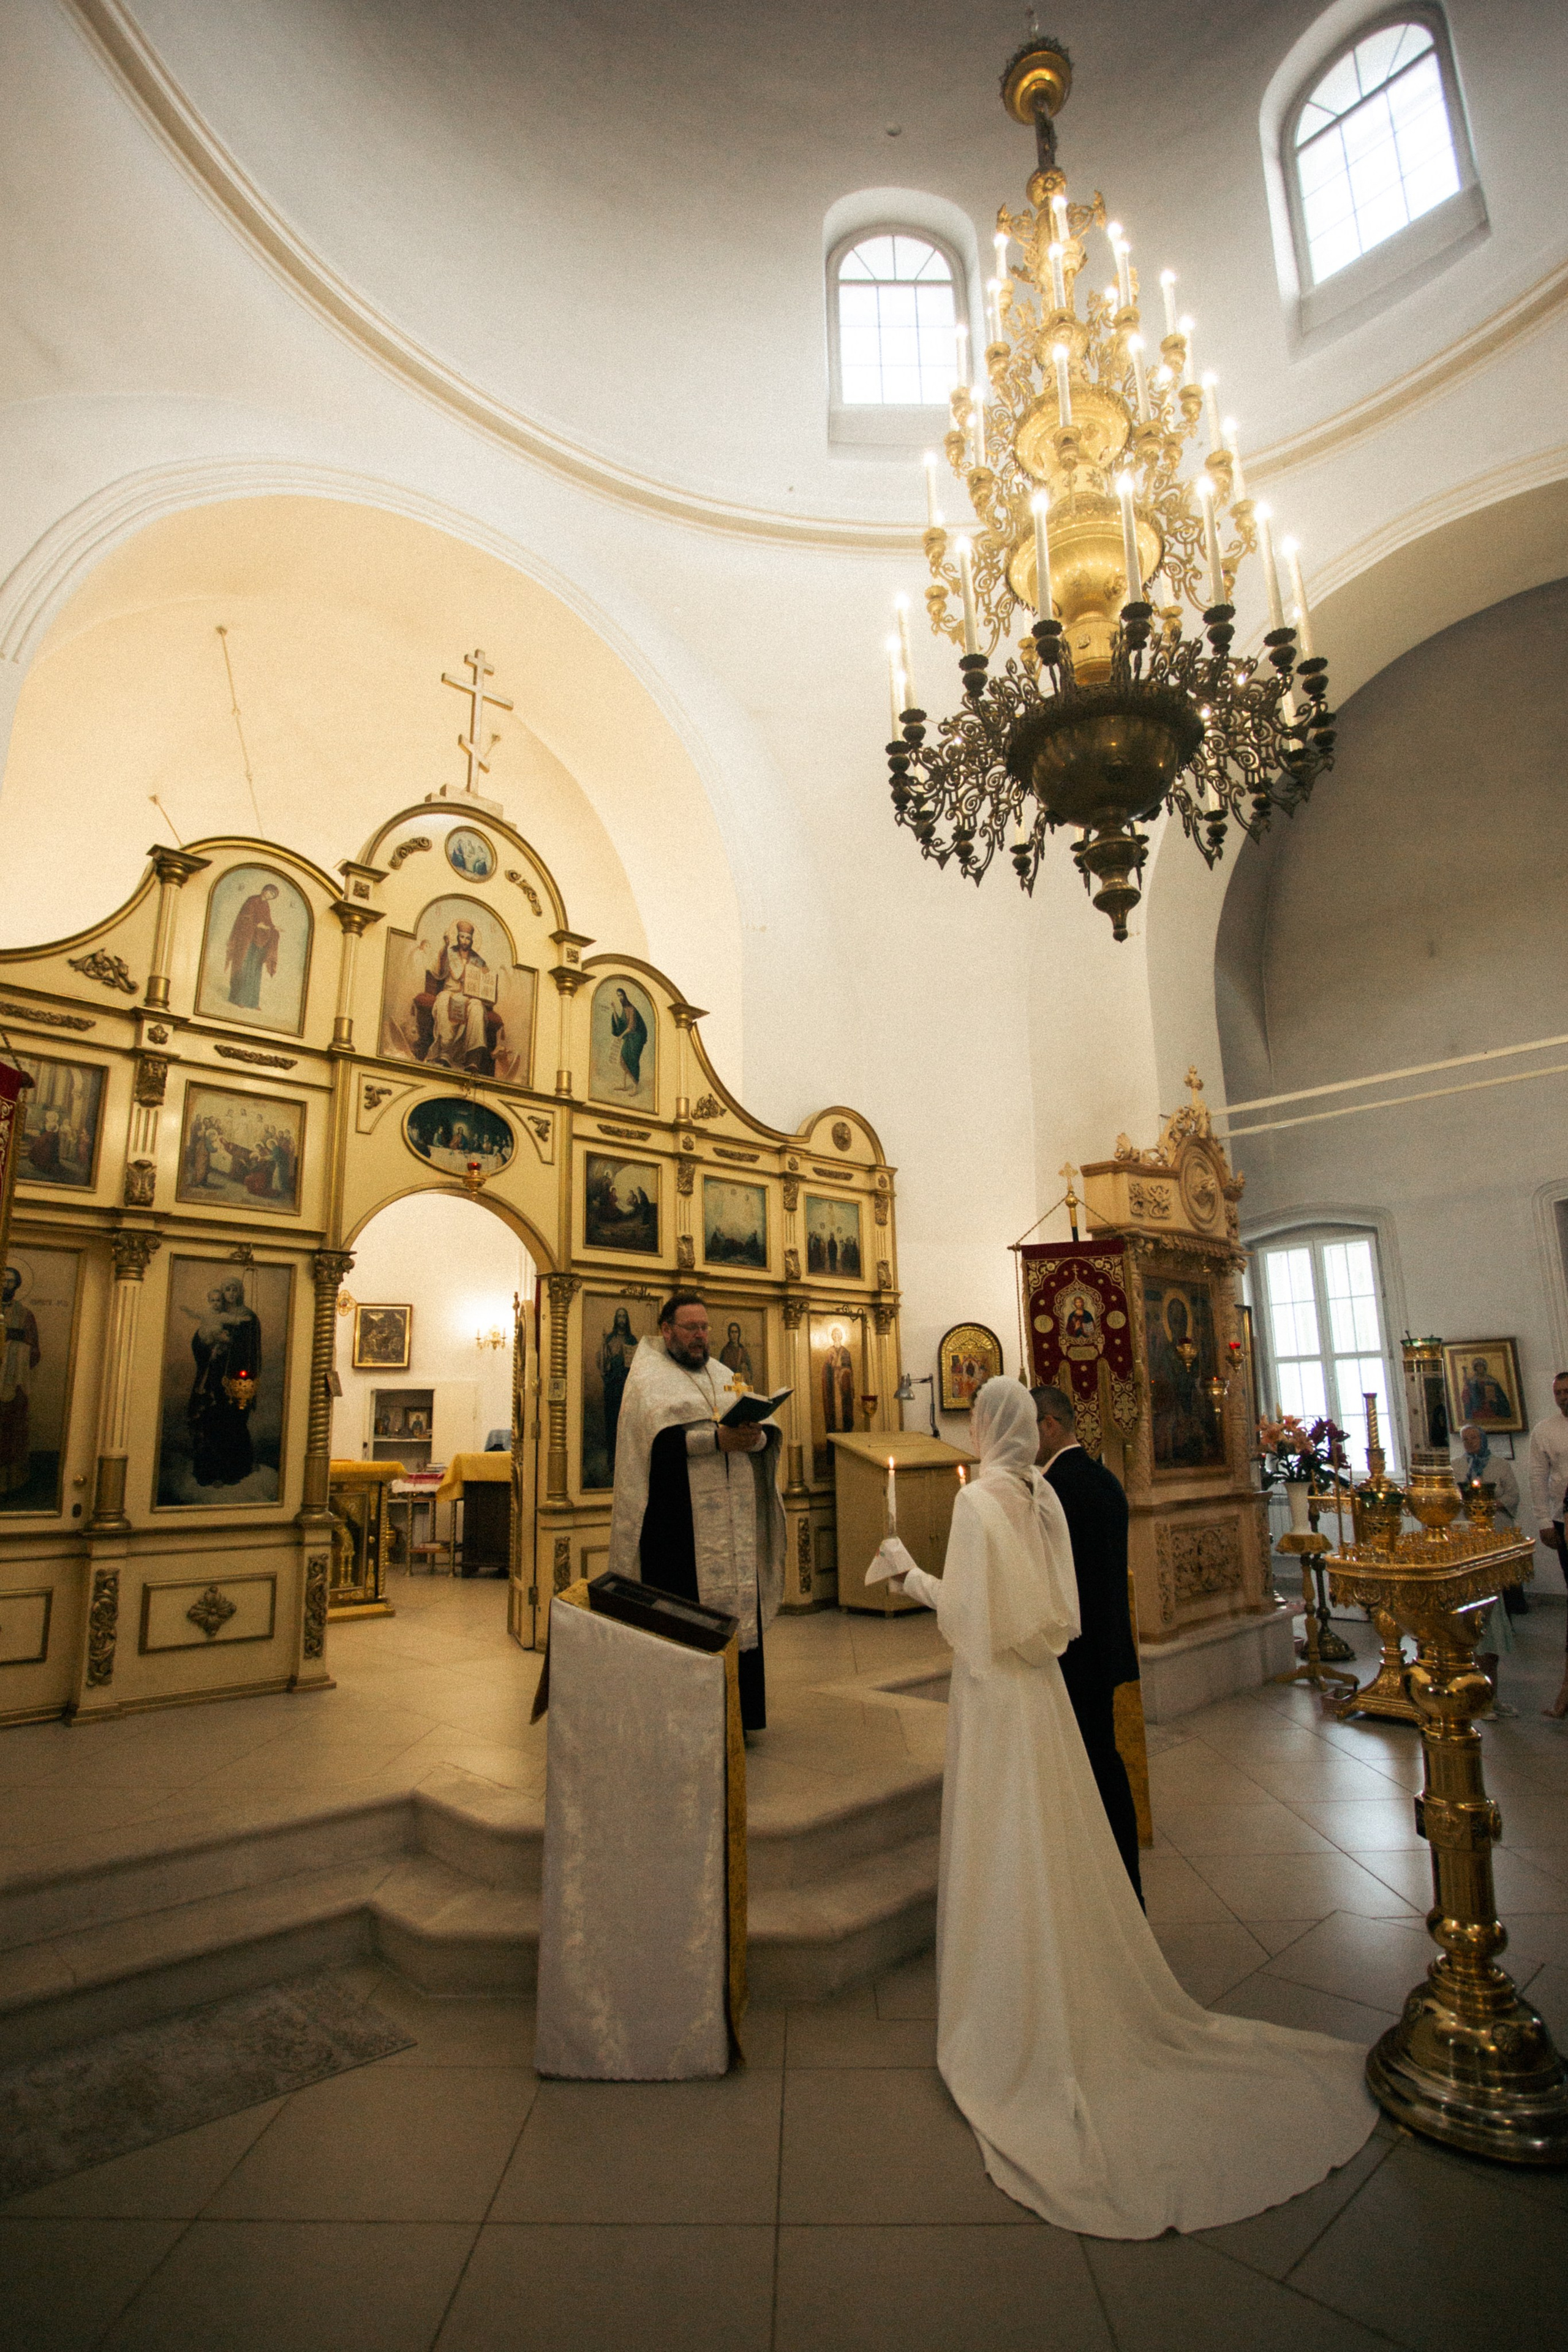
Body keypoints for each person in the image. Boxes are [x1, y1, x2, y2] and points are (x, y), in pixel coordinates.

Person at [884, 1377, 1375, 2237]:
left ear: (985, 1426)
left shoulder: (980, 1507)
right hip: (1038, 1691)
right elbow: (1061, 1615)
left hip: (998, 1699)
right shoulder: (1041, 1495)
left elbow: (965, 1620)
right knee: (1054, 1830)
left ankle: (1006, 2004)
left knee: (1003, 1837)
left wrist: (909, 1574)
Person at [608, 1292, 784, 1731]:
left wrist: (758, 1438)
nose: (701, 1336)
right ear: (667, 1331)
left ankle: (740, 1715)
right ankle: (686, 1717)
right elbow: (651, 1448)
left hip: (735, 1523)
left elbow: (753, 1434)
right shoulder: (648, 1379)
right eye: (692, 1328)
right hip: (678, 1528)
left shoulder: (723, 1373)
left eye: (705, 1327)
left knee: (738, 1615)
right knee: (685, 1616)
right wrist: (714, 1442)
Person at [1031, 1382, 1143, 1900]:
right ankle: (1123, 1879)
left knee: (1088, 1765)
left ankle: (1105, 1883)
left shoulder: (1053, 1492)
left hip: (1072, 1653)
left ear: (1049, 1426)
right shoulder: (1105, 1481)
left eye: (1027, 1431)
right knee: (1104, 1755)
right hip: (1107, 1645)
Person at [1527, 1372, 1568, 1719]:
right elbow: (1538, 1478)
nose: (1563, 1397)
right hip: (1563, 1519)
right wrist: (1544, 1522)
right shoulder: (1545, 1429)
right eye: (1558, 1392)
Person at [0, 1266, 41, 1494]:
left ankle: (11, 1482)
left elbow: (35, 1352)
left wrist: (15, 1347)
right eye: (3, 1281)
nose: (6, 1286)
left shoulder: (25, 1315)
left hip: (13, 1383)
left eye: (10, 1282)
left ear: (17, 1285)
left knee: (11, 1430)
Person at [224, 883, 281, 1010]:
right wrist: (257, 925)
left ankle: (253, 1002)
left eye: (273, 895)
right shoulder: (252, 900)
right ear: (264, 890)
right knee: (243, 966)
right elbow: (244, 918)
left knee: (255, 969)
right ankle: (239, 999)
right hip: (247, 940)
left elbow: (268, 922)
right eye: (270, 892)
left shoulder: (266, 906)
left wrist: (274, 928)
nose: (270, 895)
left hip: (258, 941)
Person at [609, 987, 648, 1093]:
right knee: (623, 1058)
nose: (620, 998)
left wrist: (621, 1036)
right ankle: (624, 1085)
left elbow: (631, 1026)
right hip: (629, 1037)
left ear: (625, 996)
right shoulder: (625, 1009)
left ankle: (635, 1086)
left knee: (633, 1061)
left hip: (637, 1038)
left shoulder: (631, 1009)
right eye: (618, 996)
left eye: (621, 995)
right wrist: (614, 1010)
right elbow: (621, 1024)